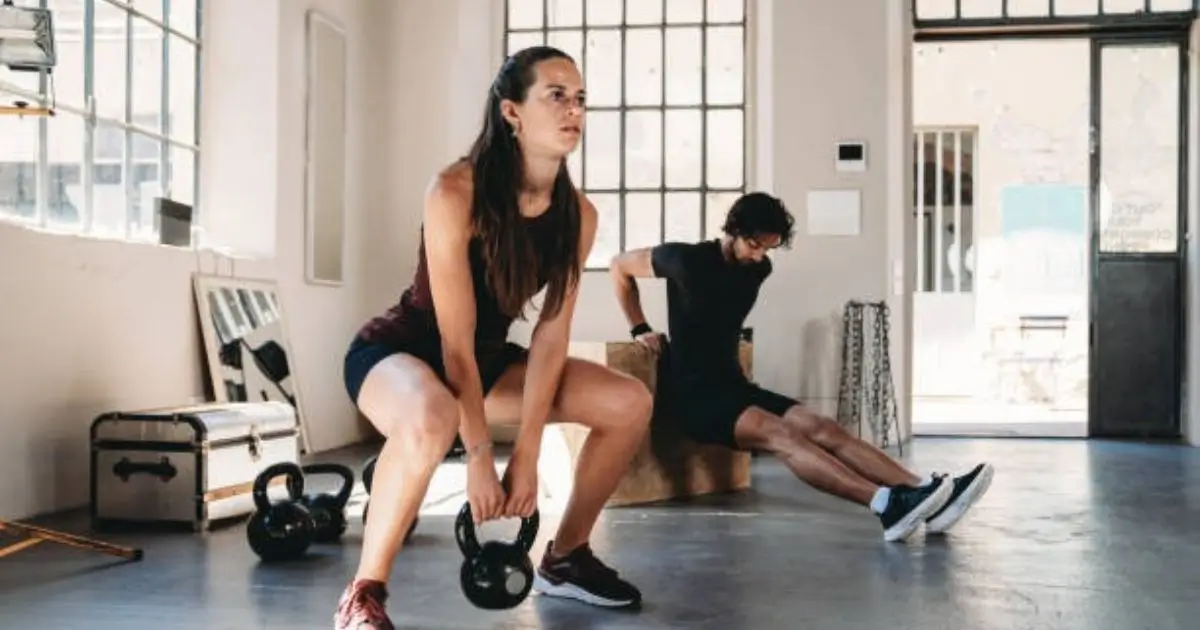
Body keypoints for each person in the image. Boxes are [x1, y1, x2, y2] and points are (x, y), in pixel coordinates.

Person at [336, 46, 650, 629]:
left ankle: (566, 557)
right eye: (555, 95)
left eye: (580, 99)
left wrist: (527, 455)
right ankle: (363, 594)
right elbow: (454, 340)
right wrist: (480, 457)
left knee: (628, 401)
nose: (573, 110)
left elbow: (552, 339)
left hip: (486, 365)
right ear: (512, 112)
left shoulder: (577, 215)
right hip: (402, 354)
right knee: (433, 413)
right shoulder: (455, 191)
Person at [609, 192, 993, 543]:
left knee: (822, 427)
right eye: (754, 245)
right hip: (695, 396)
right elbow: (619, 267)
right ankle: (886, 505)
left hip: (734, 385)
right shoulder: (684, 259)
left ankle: (926, 493)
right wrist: (639, 326)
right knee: (782, 434)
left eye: (769, 248)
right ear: (734, 230)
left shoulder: (759, 269)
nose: (759, 256)